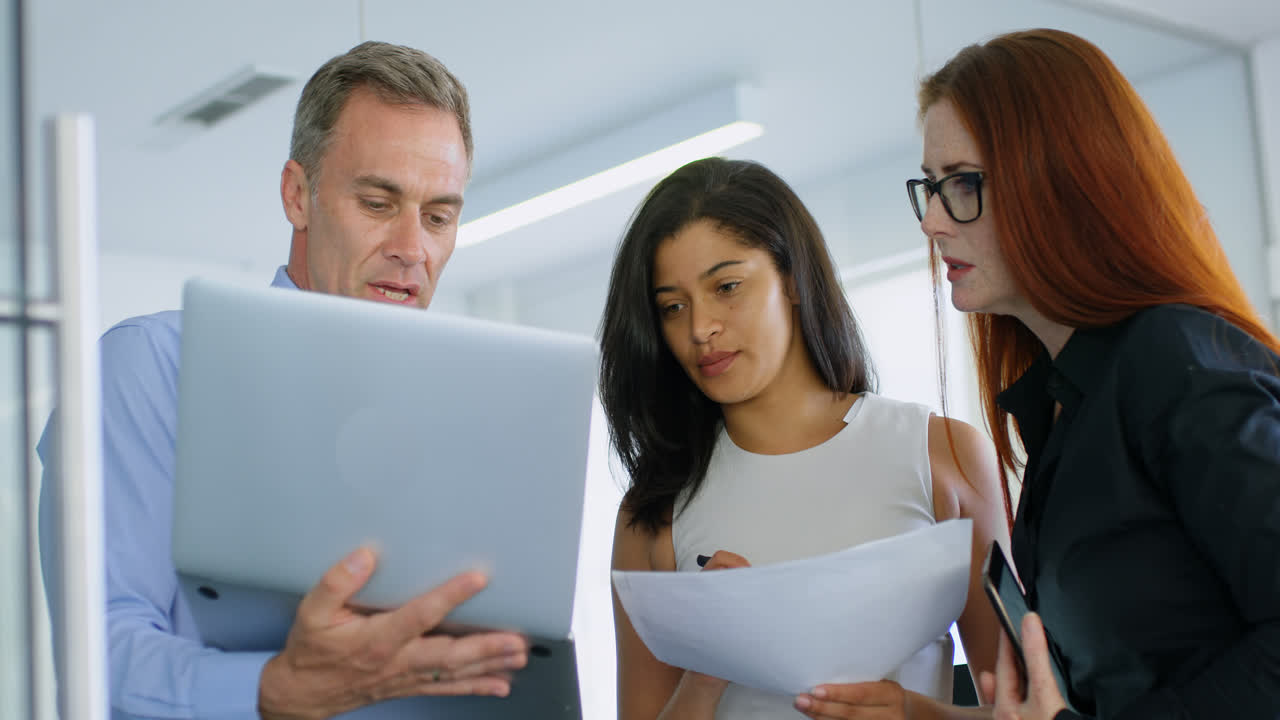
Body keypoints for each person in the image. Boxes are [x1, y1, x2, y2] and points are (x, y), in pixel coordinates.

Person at [37, 41, 529, 720]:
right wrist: (274, 690)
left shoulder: (468, 420)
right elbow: (98, 655)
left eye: (438, 217)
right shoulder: (151, 365)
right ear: (298, 195)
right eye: (380, 203)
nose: (413, 249)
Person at [908, 28, 1280, 719]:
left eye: (960, 183)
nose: (932, 221)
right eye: (929, 188)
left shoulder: (1173, 359)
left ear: (1063, 179)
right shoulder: (1062, 402)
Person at [600, 156, 1011, 719]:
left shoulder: (942, 455)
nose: (700, 329)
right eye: (673, 307)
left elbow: (1023, 710)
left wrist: (913, 712)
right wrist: (708, 669)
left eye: (727, 287)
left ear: (792, 280)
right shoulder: (653, 514)